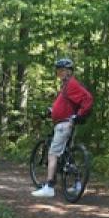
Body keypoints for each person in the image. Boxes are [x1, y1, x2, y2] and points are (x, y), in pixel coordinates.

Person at [31, 58, 93, 197]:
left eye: (62, 71)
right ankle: (77, 184)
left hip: (64, 124)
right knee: (67, 153)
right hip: (63, 122)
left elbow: (87, 98)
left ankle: (49, 186)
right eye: (58, 71)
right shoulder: (66, 86)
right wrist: (52, 110)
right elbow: (65, 104)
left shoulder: (72, 84)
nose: (60, 73)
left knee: (53, 153)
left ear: (69, 72)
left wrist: (79, 115)